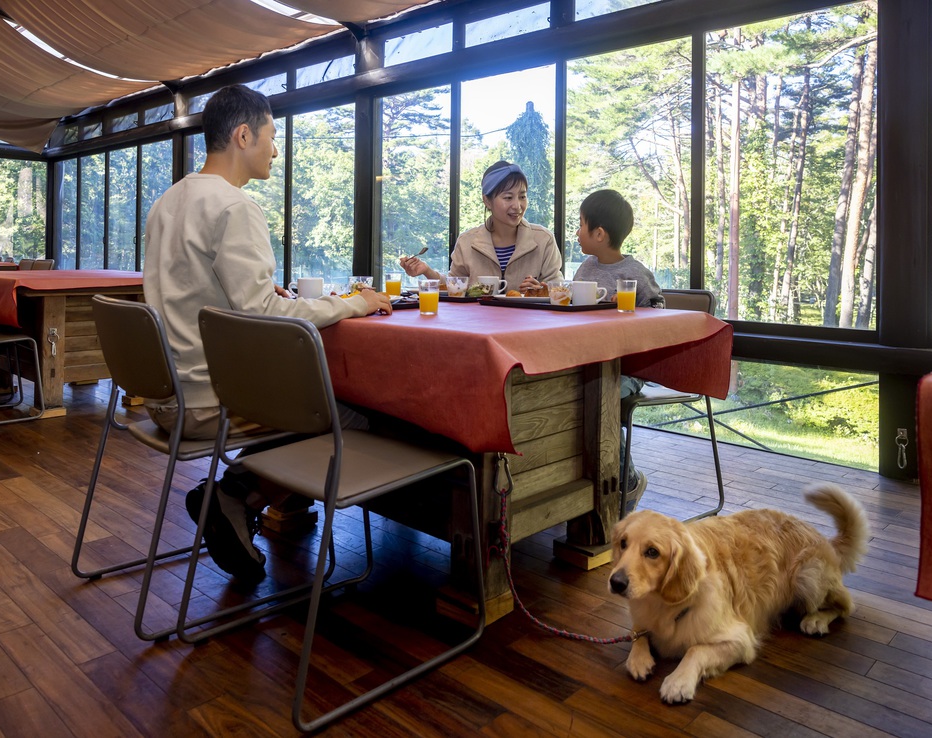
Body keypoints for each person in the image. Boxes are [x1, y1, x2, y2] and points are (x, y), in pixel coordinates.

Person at [143, 84, 391, 580]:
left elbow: (205, 291)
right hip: (207, 401)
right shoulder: (235, 206)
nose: (276, 150)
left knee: (304, 397)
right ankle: (237, 494)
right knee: (354, 413)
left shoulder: (169, 200)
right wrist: (352, 303)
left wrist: (263, 296)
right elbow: (263, 314)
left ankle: (234, 495)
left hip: (164, 392)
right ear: (242, 135)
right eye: (271, 137)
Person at [572, 189, 664, 513]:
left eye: (580, 224)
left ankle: (626, 482)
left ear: (599, 233)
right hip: (589, 360)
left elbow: (659, 312)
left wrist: (628, 309)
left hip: (628, 370)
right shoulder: (585, 268)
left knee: (601, 396)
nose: (576, 231)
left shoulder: (635, 273)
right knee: (573, 392)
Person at [399, 160, 563, 292]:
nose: (517, 205)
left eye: (522, 196)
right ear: (487, 201)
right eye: (508, 198)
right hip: (477, 327)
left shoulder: (543, 239)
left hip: (529, 327)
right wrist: (427, 271)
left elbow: (559, 288)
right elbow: (454, 286)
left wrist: (541, 290)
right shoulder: (467, 241)